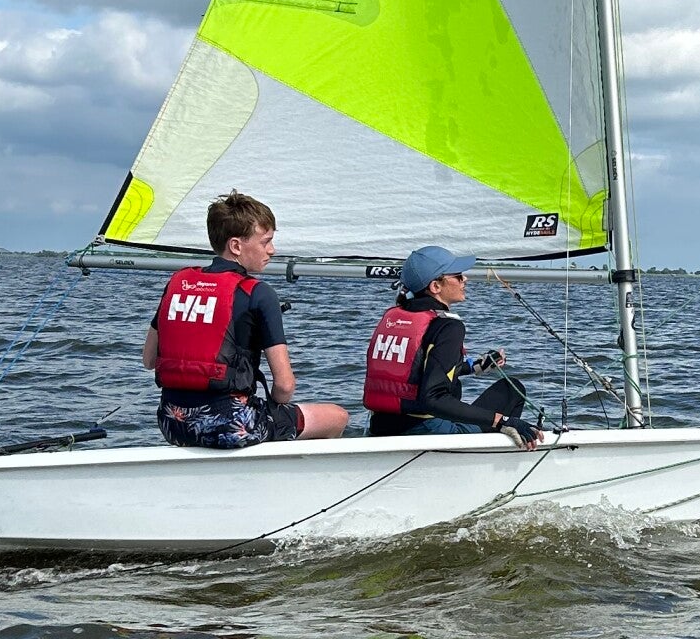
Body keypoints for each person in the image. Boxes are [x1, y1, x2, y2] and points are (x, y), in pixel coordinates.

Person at [144, 191, 349, 449]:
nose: (272, 250)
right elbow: (285, 386)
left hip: (172, 422)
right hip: (231, 425)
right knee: (337, 417)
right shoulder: (259, 293)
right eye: (266, 242)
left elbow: (148, 360)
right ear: (236, 246)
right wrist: (275, 407)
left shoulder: (178, 283)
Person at [363, 245, 536, 441]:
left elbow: (415, 371)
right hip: (425, 431)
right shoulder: (447, 326)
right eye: (458, 276)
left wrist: (475, 366)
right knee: (512, 390)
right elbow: (433, 399)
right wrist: (501, 420)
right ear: (435, 287)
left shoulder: (393, 317)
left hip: (380, 427)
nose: (465, 279)